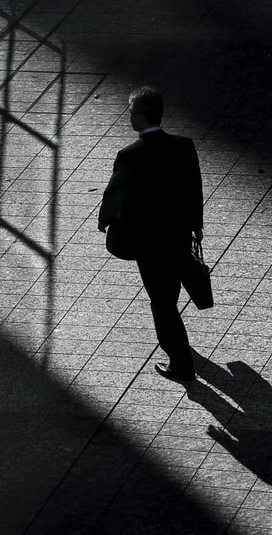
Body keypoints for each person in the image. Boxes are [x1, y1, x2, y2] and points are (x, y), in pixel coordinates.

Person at [98, 86, 203, 381]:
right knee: (170, 292)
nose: (128, 116)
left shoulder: (130, 155)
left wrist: (104, 221)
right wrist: (196, 224)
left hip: (147, 241)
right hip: (178, 234)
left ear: (142, 116)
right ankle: (180, 346)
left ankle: (181, 363)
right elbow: (194, 187)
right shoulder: (184, 146)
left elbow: (115, 193)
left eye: (131, 111)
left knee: (162, 302)